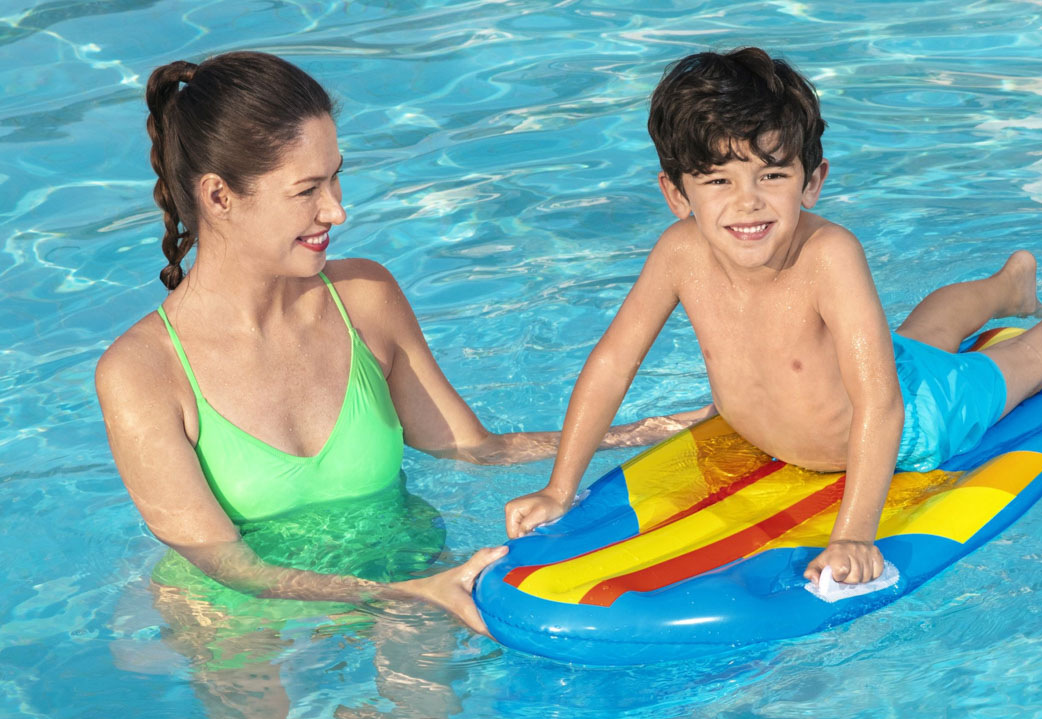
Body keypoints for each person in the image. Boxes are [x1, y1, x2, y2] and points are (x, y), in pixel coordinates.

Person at [504, 47, 1042, 587]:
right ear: (676, 193)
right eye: (717, 180)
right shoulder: (677, 252)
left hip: (916, 421)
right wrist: (561, 488)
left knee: (1031, 357)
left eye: (772, 175)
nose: (747, 202)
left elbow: (882, 404)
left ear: (812, 180)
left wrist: (855, 533)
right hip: (865, 380)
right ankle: (1008, 286)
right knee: (918, 338)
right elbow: (613, 362)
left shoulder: (829, 255)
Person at [95, 51, 708, 633]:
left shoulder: (364, 299)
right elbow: (232, 568)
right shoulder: (141, 373)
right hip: (246, 616)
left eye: (336, 178)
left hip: (406, 571)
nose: (336, 212)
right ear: (219, 197)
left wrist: (654, 430)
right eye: (307, 190)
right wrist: (403, 594)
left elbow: (476, 449)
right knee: (257, 702)